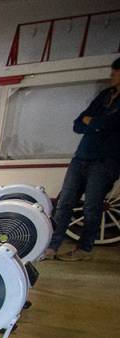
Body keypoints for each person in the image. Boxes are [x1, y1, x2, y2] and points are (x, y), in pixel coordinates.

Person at [44, 57, 120, 262]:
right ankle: (51, 246)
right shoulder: (106, 95)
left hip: (106, 160)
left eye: (115, 72)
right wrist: (98, 123)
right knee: (65, 202)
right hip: (82, 156)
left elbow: (113, 122)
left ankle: (84, 249)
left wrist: (94, 122)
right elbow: (78, 123)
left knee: (92, 206)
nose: (111, 76)